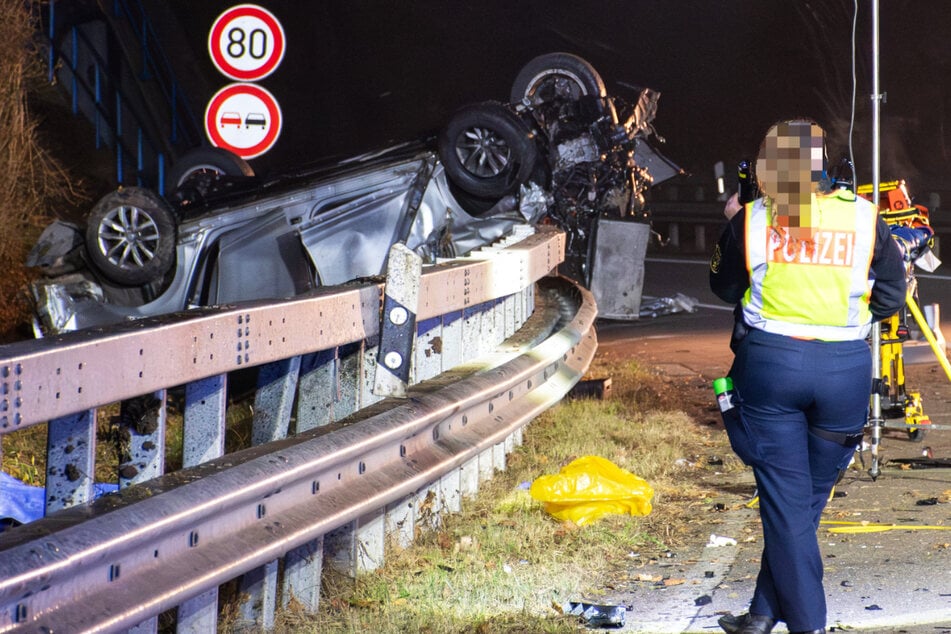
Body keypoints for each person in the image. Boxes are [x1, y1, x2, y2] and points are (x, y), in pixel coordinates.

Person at [708, 119, 907, 634]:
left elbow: (723, 287)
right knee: (801, 505)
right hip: (844, 372)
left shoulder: (753, 218)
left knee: (789, 507)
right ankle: (761, 614)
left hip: (772, 370)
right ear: (822, 164)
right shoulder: (865, 218)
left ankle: (809, 627)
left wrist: (731, 220)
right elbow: (890, 295)